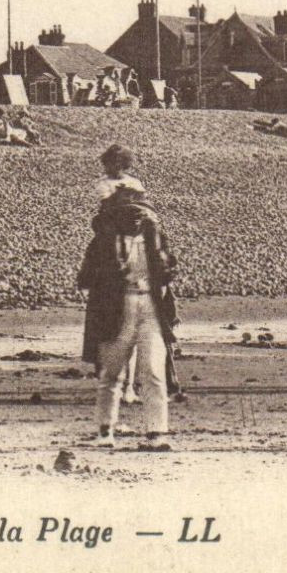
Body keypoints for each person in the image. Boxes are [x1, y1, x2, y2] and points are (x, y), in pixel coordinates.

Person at [78, 167, 177, 451]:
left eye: (139, 212)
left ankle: (158, 433)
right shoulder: (103, 243)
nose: (136, 216)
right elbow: (85, 277)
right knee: (111, 374)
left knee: (153, 371)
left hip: (147, 306)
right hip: (117, 307)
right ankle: (104, 431)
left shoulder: (154, 239)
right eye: (130, 211)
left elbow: (169, 269)